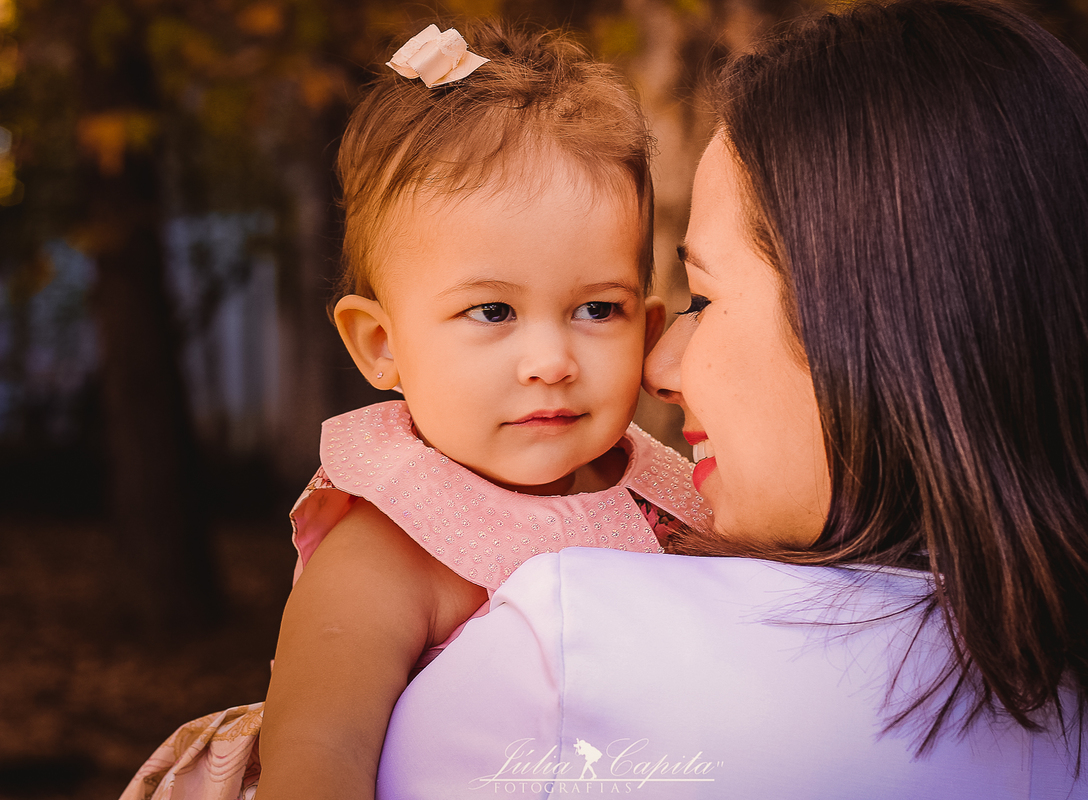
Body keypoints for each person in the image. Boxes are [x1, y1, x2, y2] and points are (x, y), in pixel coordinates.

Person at [374, 1, 1088, 797]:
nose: (658, 368)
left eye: (700, 300)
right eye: (491, 311)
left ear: (873, 322)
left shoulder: (567, 661)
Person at [119, 22, 710, 800]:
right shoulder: (392, 542)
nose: (551, 361)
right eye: (493, 311)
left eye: (597, 309)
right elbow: (319, 758)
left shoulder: (668, 498)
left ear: (650, 328)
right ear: (380, 345)